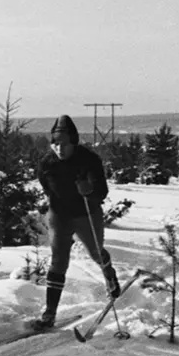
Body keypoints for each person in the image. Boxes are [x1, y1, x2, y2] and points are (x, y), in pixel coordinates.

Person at [34, 114, 121, 330]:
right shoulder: (47, 163)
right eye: (55, 143)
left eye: (64, 143)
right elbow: (45, 184)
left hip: (87, 214)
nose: (60, 148)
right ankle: (49, 313)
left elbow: (102, 192)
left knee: (95, 252)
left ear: (73, 142)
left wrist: (89, 190)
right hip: (59, 214)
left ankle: (109, 275)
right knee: (58, 261)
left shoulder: (89, 160)